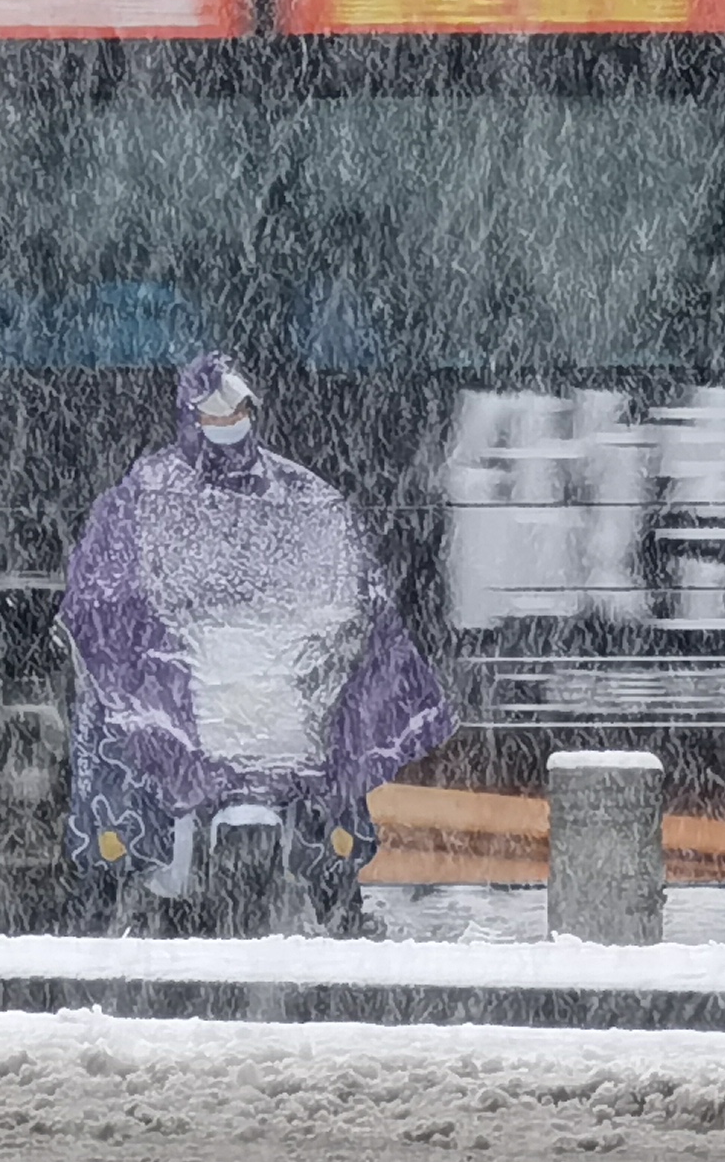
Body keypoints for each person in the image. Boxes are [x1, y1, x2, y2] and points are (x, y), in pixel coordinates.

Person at [61, 356, 454, 927]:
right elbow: (105, 593)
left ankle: (333, 885)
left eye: (238, 410)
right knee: (120, 750)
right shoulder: (147, 492)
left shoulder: (300, 492)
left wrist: (333, 633)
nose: (229, 422)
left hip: (286, 681)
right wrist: (150, 647)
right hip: (184, 681)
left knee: (334, 765)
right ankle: (119, 885)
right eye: (215, 413)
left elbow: (347, 583)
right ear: (189, 415)